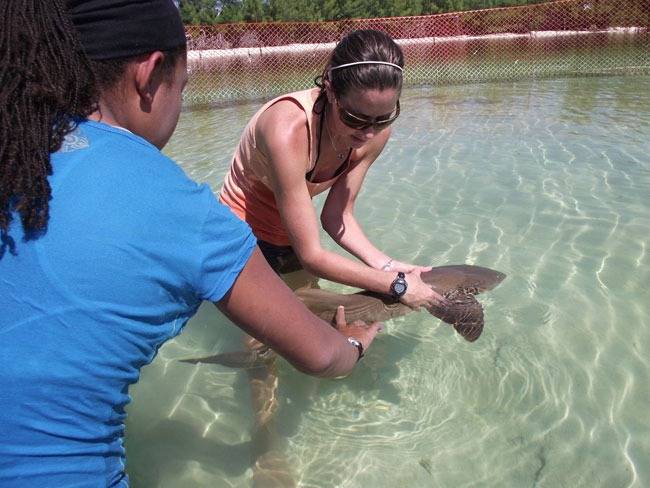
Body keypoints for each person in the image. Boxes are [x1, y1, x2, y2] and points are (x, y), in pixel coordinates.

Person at [0, 1, 381, 486]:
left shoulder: (16, 149)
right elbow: (321, 356)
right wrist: (354, 345)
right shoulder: (180, 208)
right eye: (182, 88)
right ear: (151, 73)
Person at [220, 29, 450, 311]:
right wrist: (397, 285)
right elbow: (312, 256)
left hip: (291, 234)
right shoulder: (287, 129)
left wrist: (390, 266)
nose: (368, 133)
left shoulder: (376, 134)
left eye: (384, 118)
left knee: (309, 314)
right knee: (262, 337)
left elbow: (337, 216)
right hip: (241, 235)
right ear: (330, 89)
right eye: (355, 118)